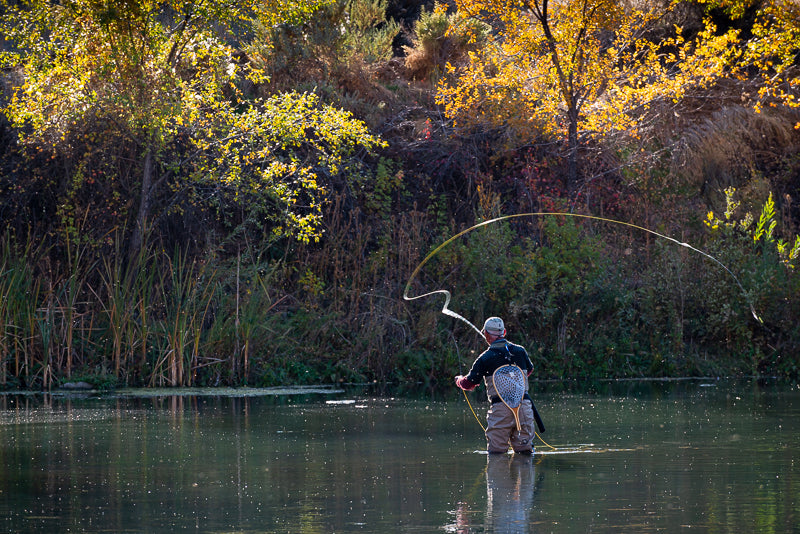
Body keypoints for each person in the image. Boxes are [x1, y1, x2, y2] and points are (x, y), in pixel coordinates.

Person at [455, 316, 536, 454]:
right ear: (504, 332)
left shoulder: (485, 358)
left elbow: (469, 384)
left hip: (501, 410)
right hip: (524, 408)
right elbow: (529, 370)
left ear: (486, 334)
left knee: (496, 454)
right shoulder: (520, 351)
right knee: (525, 453)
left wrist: (459, 380)